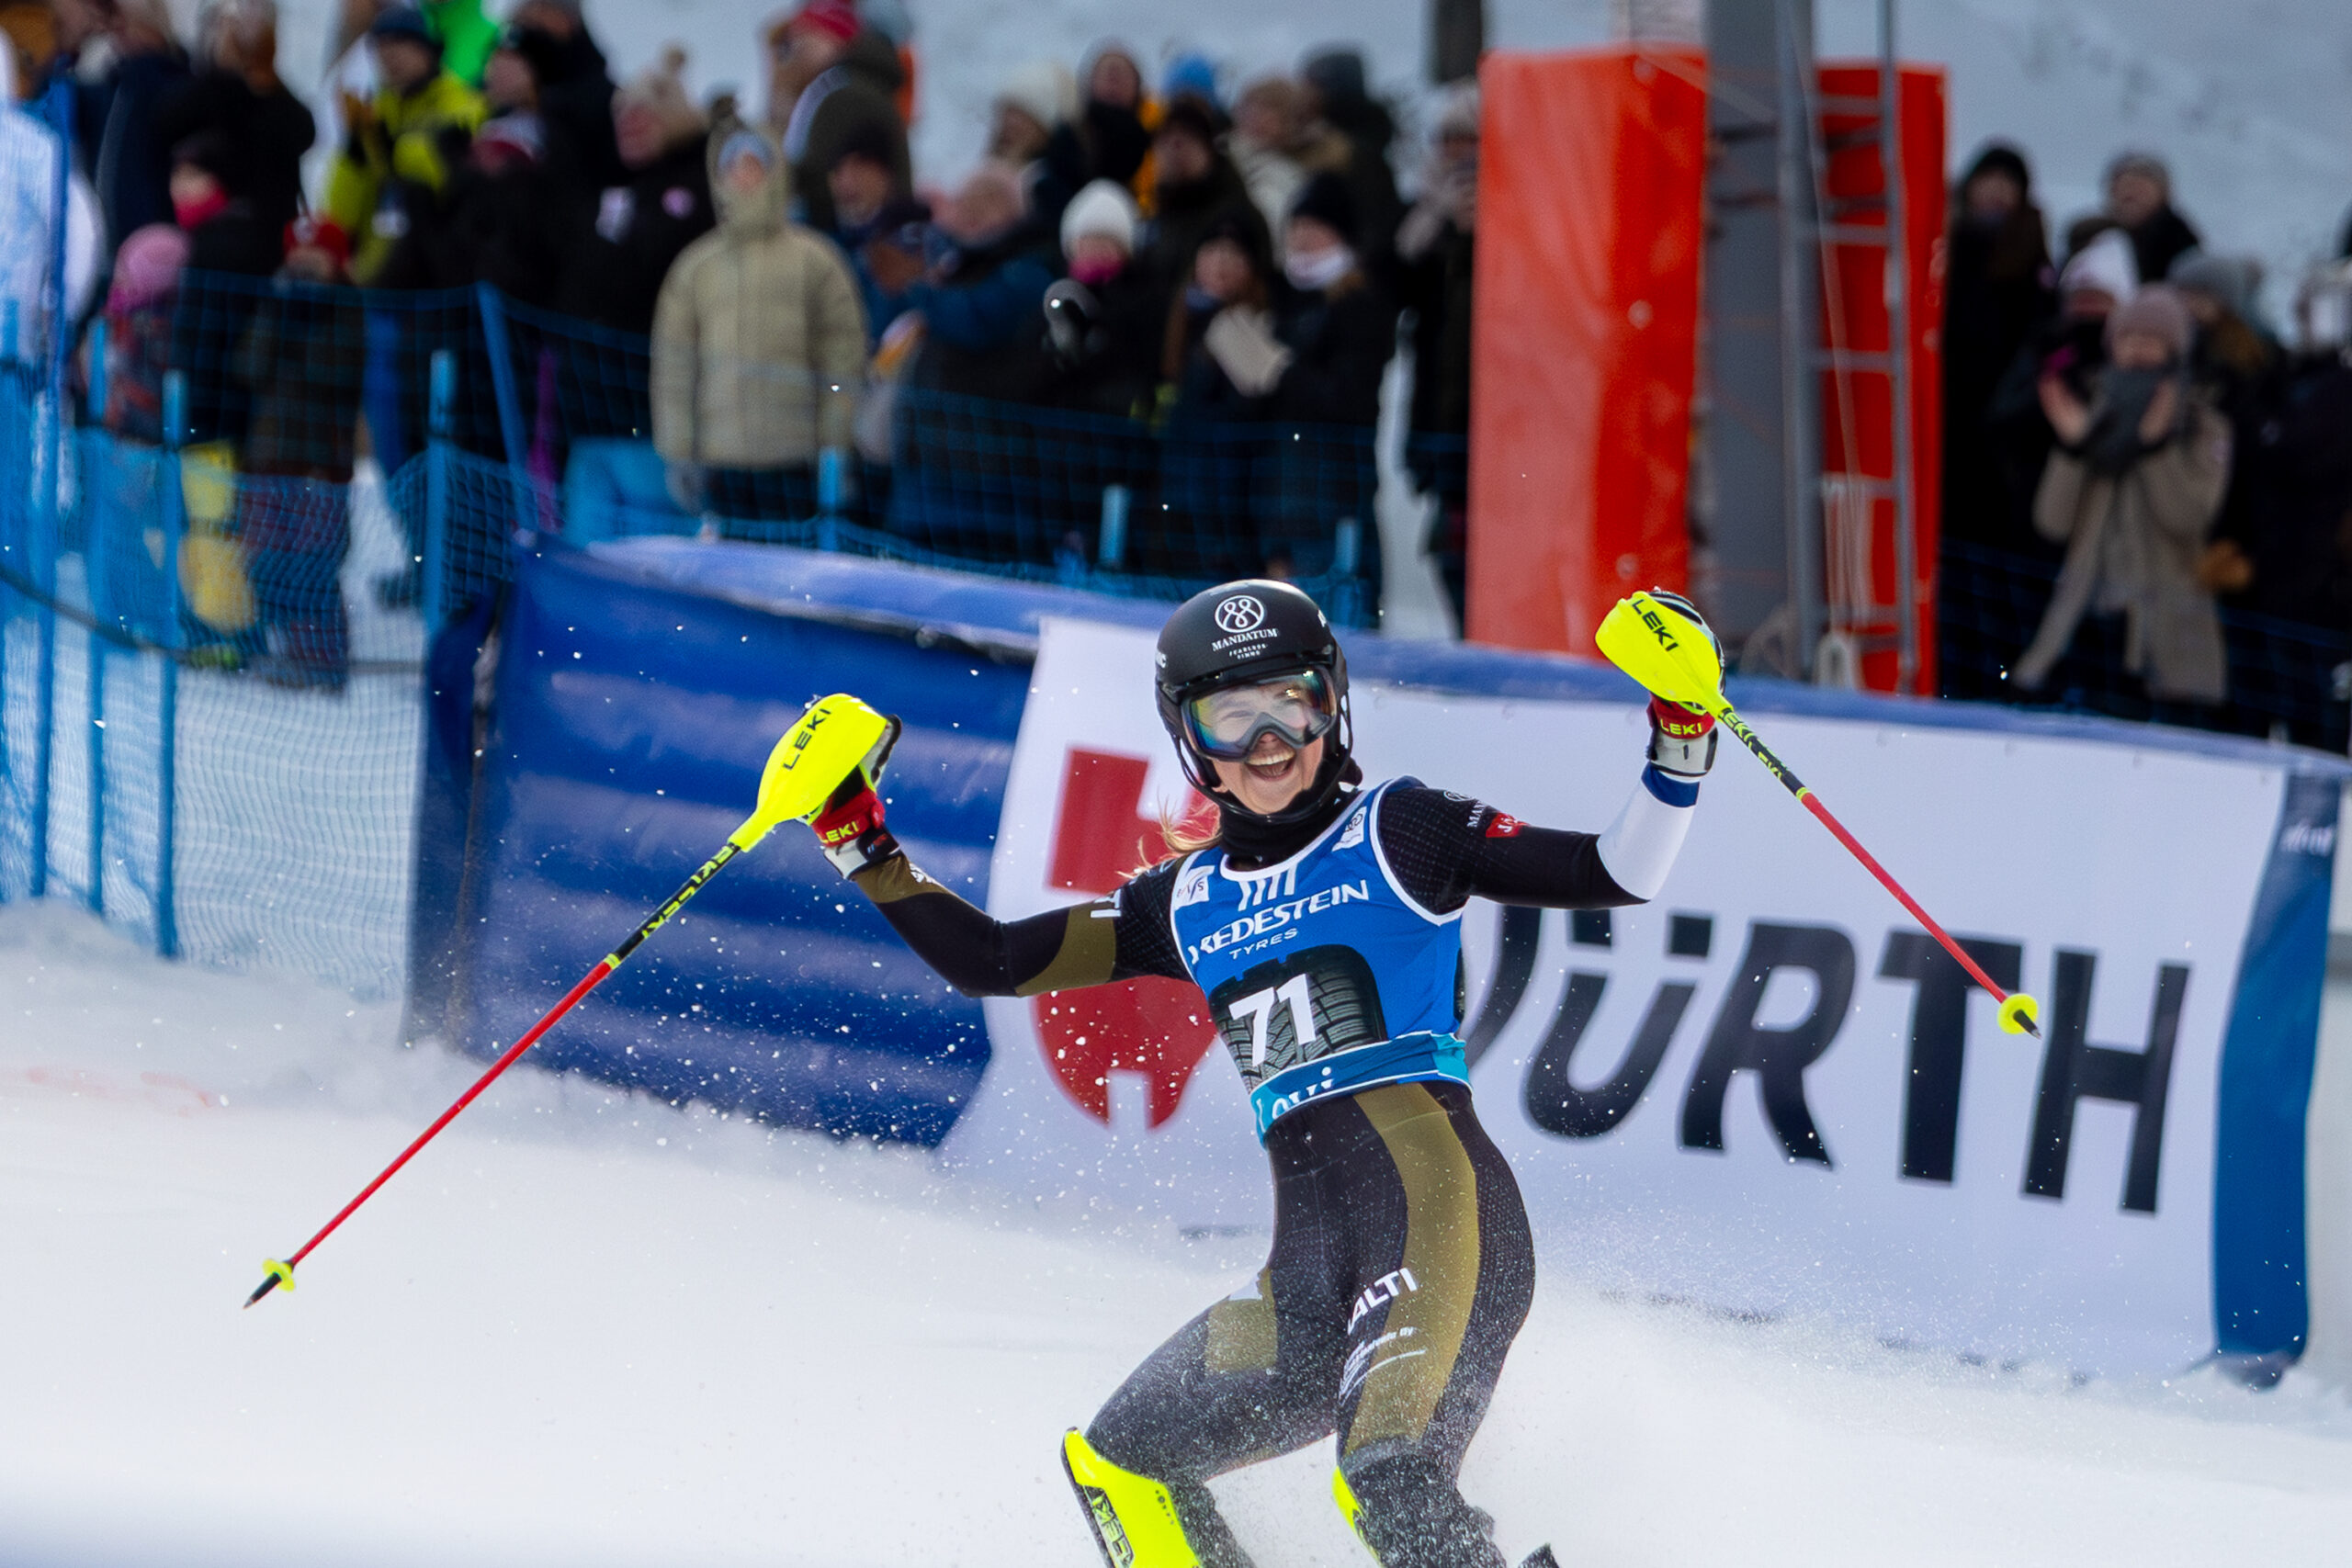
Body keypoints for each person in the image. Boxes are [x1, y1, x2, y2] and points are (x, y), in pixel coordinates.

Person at [797, 578, 1720, 1568]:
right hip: (1307, 1281)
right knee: (1123, 1466)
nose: (1268, 740)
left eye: (1291, 702)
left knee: (1390, 1478)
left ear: (1333, 703)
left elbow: (1614, 872)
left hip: (1446, 1225)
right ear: (1189, 740)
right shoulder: (1181, 898)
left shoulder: (1403, 829)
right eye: (1230, 717)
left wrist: (1681, 734)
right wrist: (856, 836)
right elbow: (992, 959)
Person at [2014, 286, 2230, 709]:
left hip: (2167, 638)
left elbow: (2189, 519)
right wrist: (2075, 447)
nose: (2139, 349)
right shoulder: (2094, 414)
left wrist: (2155, 449)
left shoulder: (2202, 425)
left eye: (2152, 339)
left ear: (2175, 350)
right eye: (2129, 337)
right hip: (2084, 623)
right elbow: (2052, 523)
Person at [650, 122, 866, 527]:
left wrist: (835, 445)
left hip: (795, 459)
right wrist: (679, 452)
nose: (744, 177)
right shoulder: (696, 268)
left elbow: (842, 362)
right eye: (734, 167)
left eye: (754, 166)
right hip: (720, 460)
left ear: (775, 173)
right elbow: (675, 368)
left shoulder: (816, 261)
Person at [232, 216, 366, 690]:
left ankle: (323, 660)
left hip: (320, 460)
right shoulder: (275, 300)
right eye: (298, 259)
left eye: (316, 260)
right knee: (267, 555)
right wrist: (279, 313)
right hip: (268, 454)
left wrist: (310, 313)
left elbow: (334, 373)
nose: (305, 269)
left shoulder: (347, 307)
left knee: (315, 561)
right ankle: (281, 645)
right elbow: (249, 367)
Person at [1940, 143, 2054, 550]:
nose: (1998, 190)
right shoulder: (1938, 246)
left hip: (2000, 425)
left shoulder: (2033, 261)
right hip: (1939, 408)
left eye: (2009, 182)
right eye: (1988, 178)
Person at [322, 6, 485, 286]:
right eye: (381, 45)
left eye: (401, 41)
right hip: (377, 265)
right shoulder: (376, 111)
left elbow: (438, 173)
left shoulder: (463, 104)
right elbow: (340, 212)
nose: (390, 54)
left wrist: (388, 147)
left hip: (436, 261)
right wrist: (355, 153)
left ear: (428, 49)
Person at [554, 45, 711, 336]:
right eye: (620, 113)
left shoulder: (700, 188)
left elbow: (647, 271)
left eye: (641, 111)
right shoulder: (619, 191)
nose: (628, 122)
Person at [1396, 83, 1479, 628]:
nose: (1455, 151)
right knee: (1449, 550)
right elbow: (1400, 288)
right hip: (1438, 412)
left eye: (1467, 137)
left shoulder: (1519, 208)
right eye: (1446, 138)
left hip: (1492, 420)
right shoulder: (1425, 217)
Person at [153, 0, 316, 235]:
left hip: (270, 232)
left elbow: (304, 134)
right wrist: (225, 71)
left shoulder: (274, 98)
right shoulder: (208, 94)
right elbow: (168, 123)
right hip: (214, 232)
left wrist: (261, 74)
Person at [764, 0, 909, 236]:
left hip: (838, 233)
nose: (799, 49)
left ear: (836, 40)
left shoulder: (842, 93)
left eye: (809, 38)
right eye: (796, 41)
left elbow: (817, 172)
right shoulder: (831, 87)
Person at [1038, 178, 1159, 419]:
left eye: (1106, 243)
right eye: (1087, 242)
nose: (1096, 252)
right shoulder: (1054, 295)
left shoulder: (1137, 301)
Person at [988, 60, 1087, 231]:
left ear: (1045, 127)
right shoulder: (978, 177)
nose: (1009, 124)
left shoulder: (1049, 188)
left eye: (1021, 115)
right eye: (1007, 113)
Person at [2101, 151, 2199, 296]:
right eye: (2126, 188)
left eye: (2140, 189)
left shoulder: (2178, 239)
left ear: (2162, 194)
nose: (2132, 195)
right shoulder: (2096, 235)